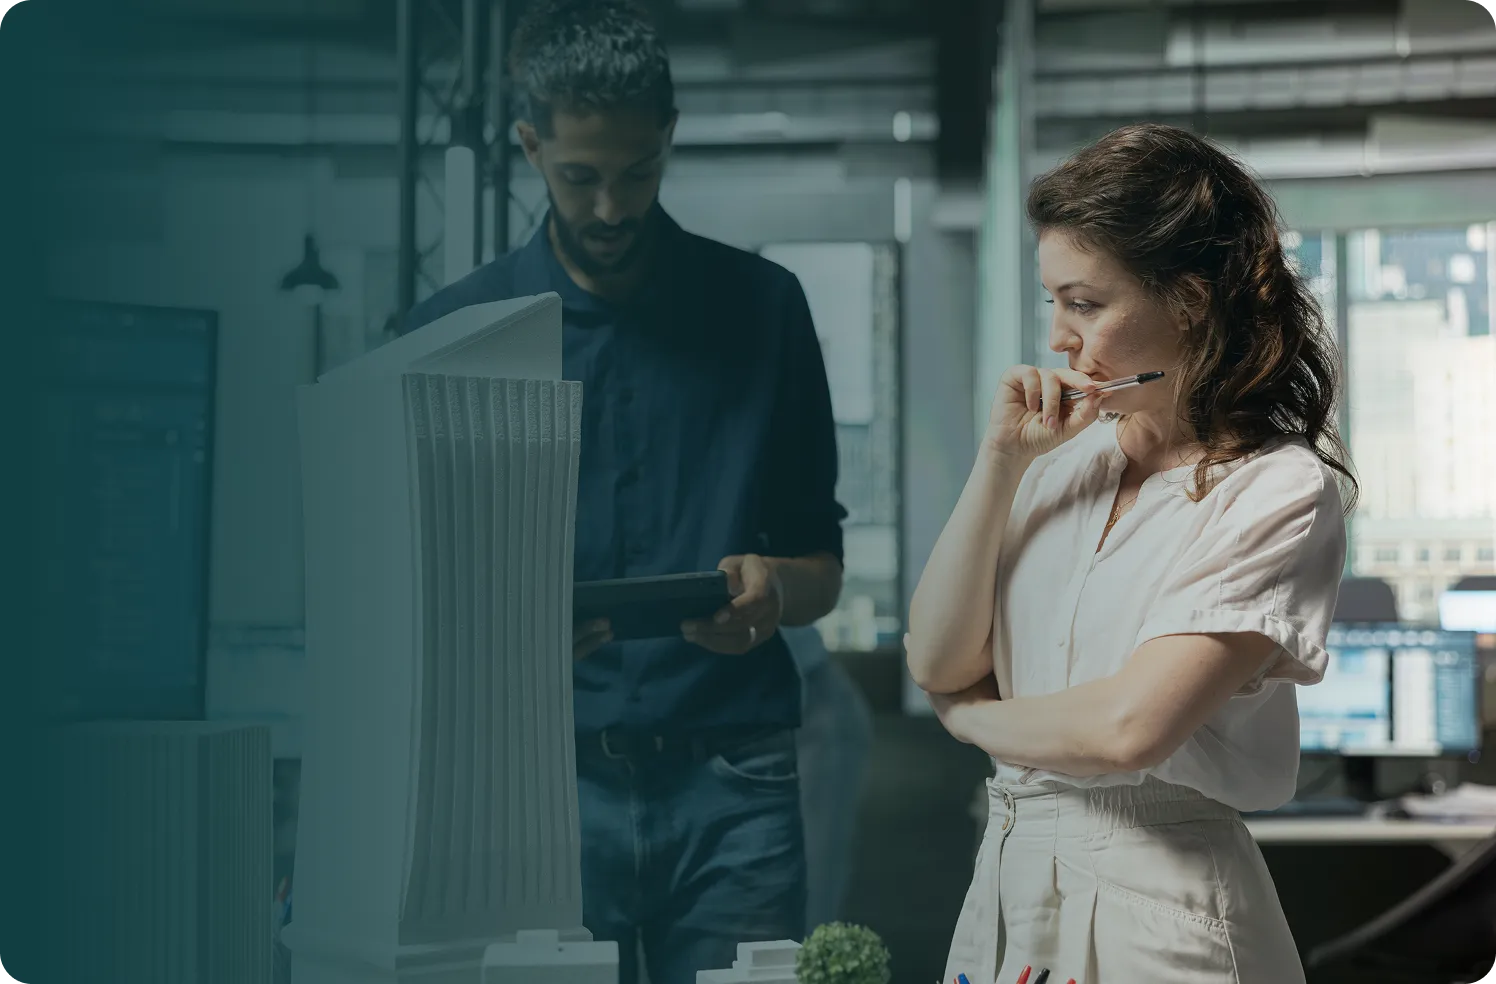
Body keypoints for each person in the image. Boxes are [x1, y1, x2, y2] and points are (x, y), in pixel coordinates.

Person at [401, 2, 846, 982]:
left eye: (636, 172)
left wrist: (775, 590)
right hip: (534, 786)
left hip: (739, 782)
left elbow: (821, 563)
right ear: (528, 146)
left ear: (668, 140)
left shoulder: (763, 311)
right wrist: (498, 640)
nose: (610, 207)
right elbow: (404, 605)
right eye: (579, 177)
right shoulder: (452, 337)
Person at [905, 122, 1355, 984]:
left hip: (1159, 904)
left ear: (1187, 301)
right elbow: (937, 652)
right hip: (1010, 872)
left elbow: (1129, 729)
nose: (1060, 339)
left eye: (1084, 303)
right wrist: (1000, 462)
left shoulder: (1277, 491)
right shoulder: (1059, 462)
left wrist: (969, 720)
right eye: (1053, 303)